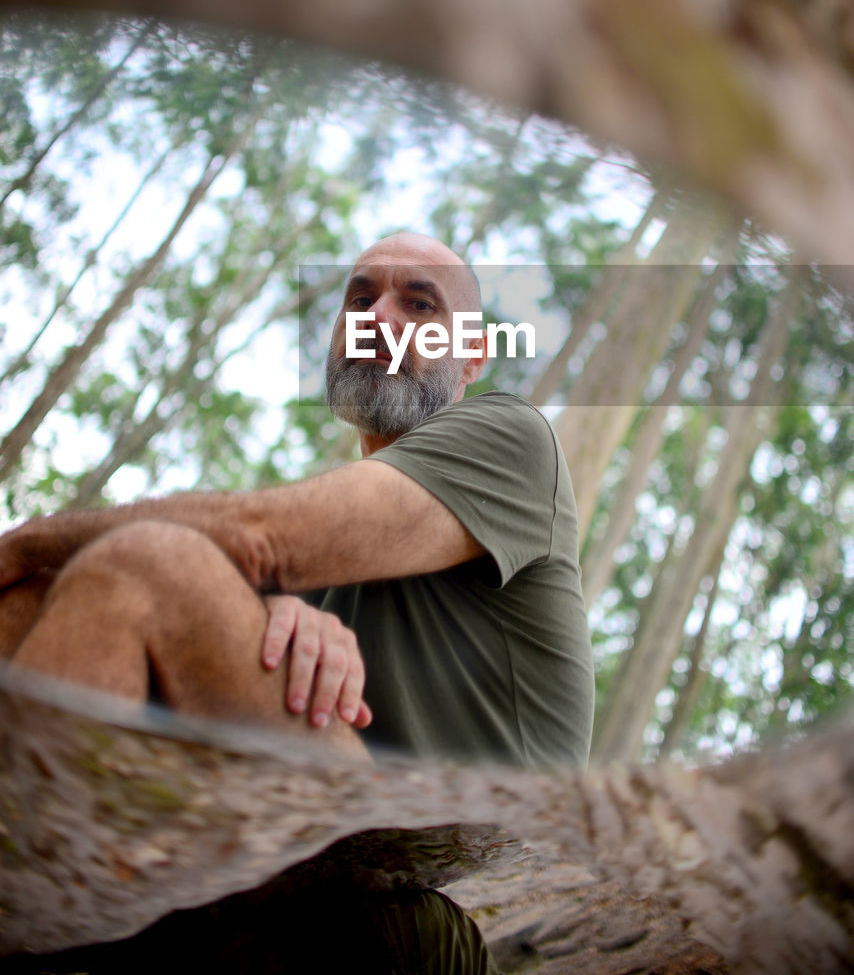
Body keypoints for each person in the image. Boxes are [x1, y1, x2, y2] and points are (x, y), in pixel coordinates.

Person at [0, 231, 594, 972]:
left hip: (414, 908)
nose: (378, 314)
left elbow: (257, 538)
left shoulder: (511, 437)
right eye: (359, 296)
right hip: (266, 854)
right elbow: (241, 580)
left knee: (142, 567)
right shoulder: (325, 545)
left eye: (419, 302)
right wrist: (268, 611)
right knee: (35, 606)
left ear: (473, 356)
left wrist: (28, 540)